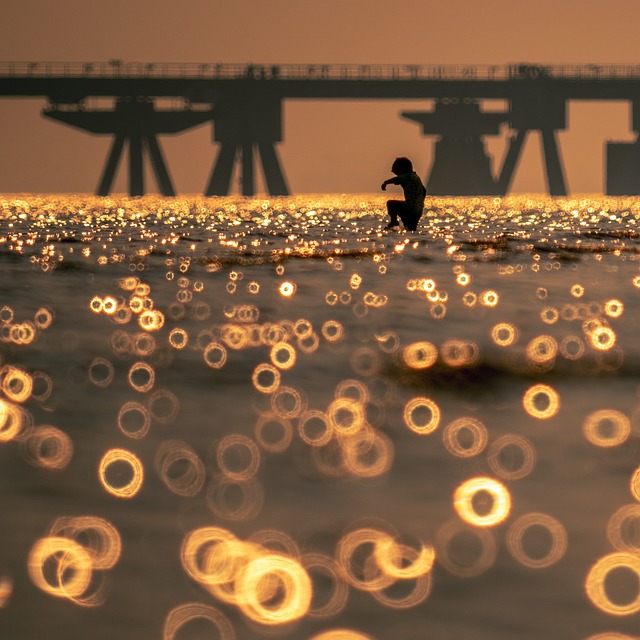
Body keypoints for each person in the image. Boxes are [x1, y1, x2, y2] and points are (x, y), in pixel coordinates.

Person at [381, 157, 426, 231]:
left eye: (398, 173)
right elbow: (424, 191)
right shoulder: (416, 177)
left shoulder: (408, 176)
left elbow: (398, 179)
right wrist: (420, 203)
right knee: (410, 229)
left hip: (409, 207)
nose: (398, 176)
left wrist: (385, 183)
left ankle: (394, 221)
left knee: (391, 204)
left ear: (403, 169)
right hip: (418, 210)